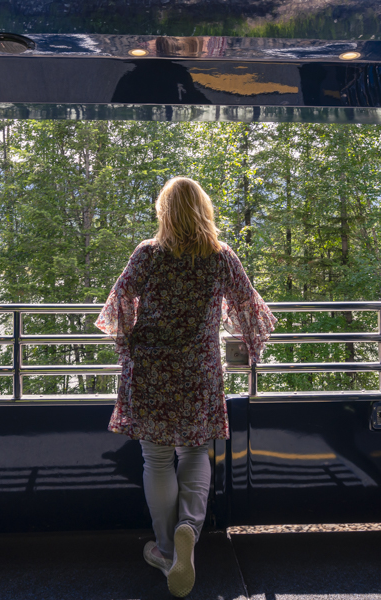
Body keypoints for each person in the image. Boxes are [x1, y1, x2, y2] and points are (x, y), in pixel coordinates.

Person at [95, 177, 276, 597]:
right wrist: (251, 345)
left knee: (156, 459)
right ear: (204, 210)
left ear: (164, 212)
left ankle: (164, 549)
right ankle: (188, 530)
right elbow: (250, 307)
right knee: (194, 450)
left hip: (152, 371)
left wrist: (127, 347)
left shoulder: (148, 253)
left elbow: (118, 305)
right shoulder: (220, 256)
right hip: (198, 371)